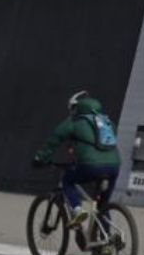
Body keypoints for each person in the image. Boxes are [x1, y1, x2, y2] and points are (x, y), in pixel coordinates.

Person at [31, 90, 123, 231]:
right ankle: (107, 239)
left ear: (77, 108)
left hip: (91, 166)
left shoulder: (74, 122)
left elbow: (54, 140)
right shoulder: (108, 122)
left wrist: (40, 158)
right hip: (114, 166)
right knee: (102, 205)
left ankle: (77, 210)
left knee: (67, 181)